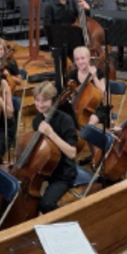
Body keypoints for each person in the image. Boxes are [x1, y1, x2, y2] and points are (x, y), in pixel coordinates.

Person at [28, 83, 78, 213]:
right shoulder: (37, 120)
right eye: (37, 100)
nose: (40, 104)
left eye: (45, 100)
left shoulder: (65, 120)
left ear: (53, 100)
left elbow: (72, 153)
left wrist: (51, 133)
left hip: (63, 173)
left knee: (46, 204)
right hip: (45, 168)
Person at [42, 0, 90, 82]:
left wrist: (86, 9)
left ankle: (78, 87)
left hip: (72, 40)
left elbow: (82, 18)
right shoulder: (50, 6)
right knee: (60, 70)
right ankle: (61, 91)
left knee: (80, 65)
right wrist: (52, 45)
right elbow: (47, 26)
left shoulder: (73, 3)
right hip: (58, 41)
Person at [65, 46, 108, 127]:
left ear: (88, 58)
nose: (80, 62)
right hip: (77, 106)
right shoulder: (72, 75)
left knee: (90, 122)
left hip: (95, 107)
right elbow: (69, 94)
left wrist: (94, 77)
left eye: (82, 58)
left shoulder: (99, 73)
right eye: (77, 59)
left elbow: (102, 93)